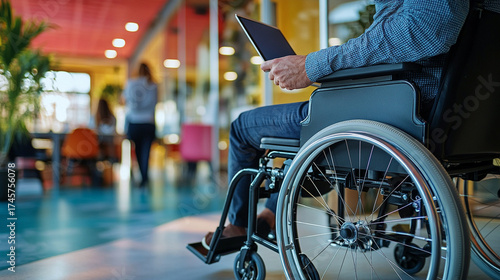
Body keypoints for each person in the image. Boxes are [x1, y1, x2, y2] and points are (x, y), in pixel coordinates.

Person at [202, 0, 500, 248]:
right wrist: (318, 67)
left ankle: (239, 227)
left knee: (243, 127)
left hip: (396, 108)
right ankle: (269, 215)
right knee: (307, 138)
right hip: (455, 115)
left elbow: (428, 29)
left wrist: (312, 64)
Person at [122, 63, 158, 188]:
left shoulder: (131, 83)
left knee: (137, 150)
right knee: (146, 151)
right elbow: (155, 105)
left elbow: (125, 101)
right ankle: (144, 176)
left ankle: (142, 177)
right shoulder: (153, 85)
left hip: (134, 122)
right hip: (148, 122)